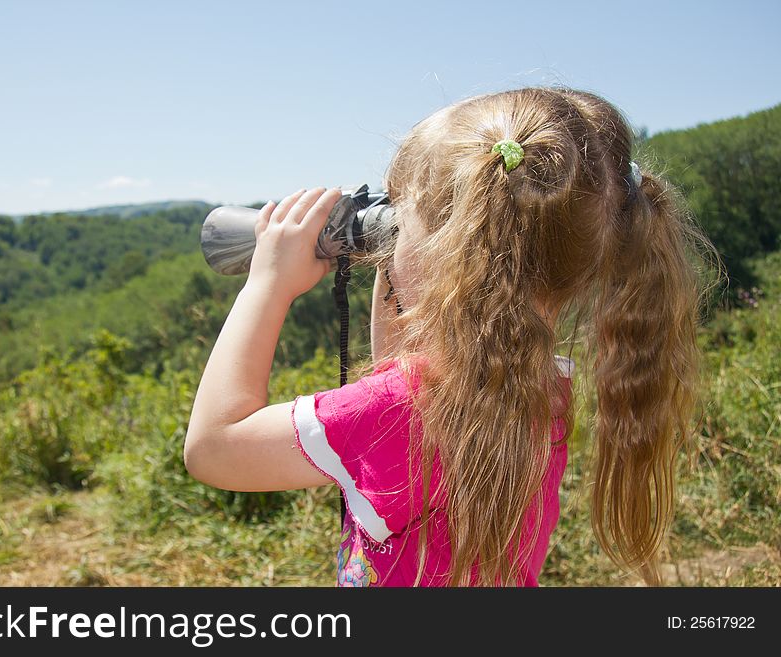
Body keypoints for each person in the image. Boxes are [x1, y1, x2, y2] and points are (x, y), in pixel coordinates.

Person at [184, 87, 720, 587]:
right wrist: (390, 263)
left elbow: (214, 448)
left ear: (452, 253)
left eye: (402, 219)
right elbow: (410, 357)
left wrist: (268, 284)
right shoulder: (537, 386)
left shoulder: (399, 409)